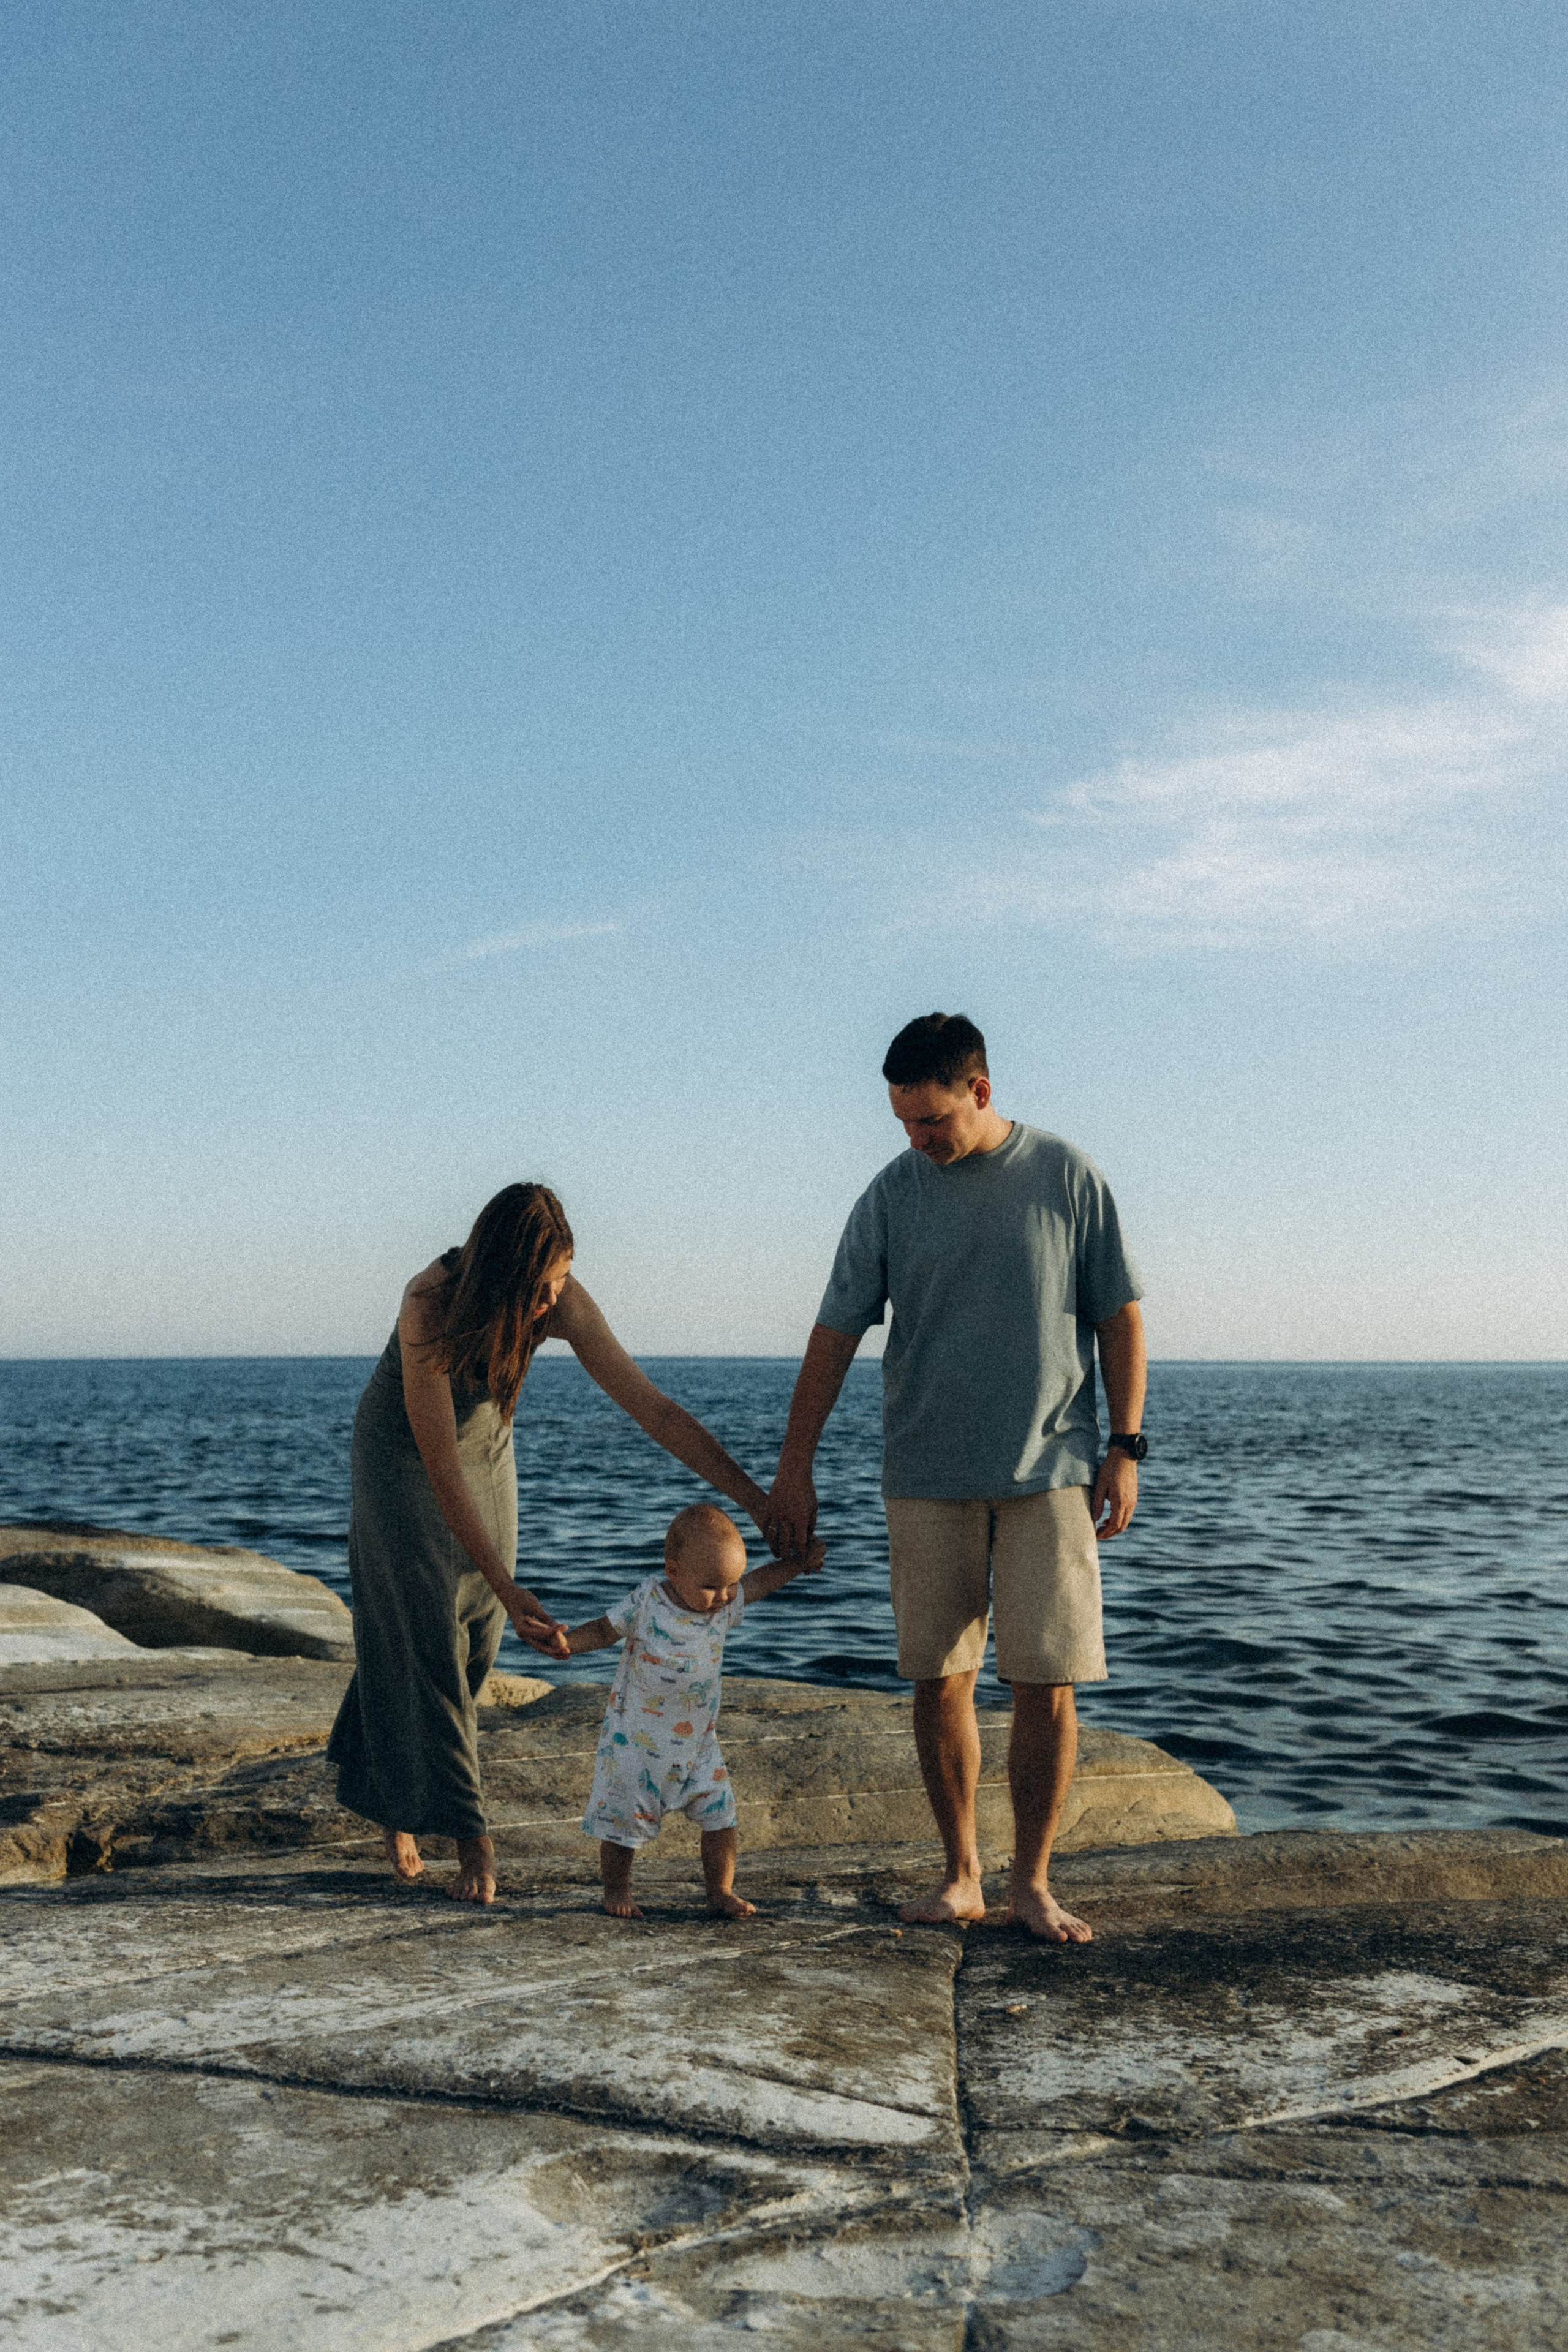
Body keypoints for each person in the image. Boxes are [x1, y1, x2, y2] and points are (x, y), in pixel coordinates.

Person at [762, 1013, 1147, 1944]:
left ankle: (1034, 1885)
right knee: (940, 1680)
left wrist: (1125, 1447)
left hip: (1050, 1471)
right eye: (903, 1122)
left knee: (1047, 1683)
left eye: (931, 1120)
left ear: (979, 1090)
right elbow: (833, 1336)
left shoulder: (1065, 1175)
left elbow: (1120, 1317)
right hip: (926, 1472)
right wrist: (794, 1468)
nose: (917, 1140)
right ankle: (963, 1875)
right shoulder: (891, 1195)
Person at [328, 1183, 774, 1905]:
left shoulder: (559, 1299)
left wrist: (755, 1500)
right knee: (426, 1627)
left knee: (477, 1635)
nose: (551, 1300)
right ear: (498, 1271)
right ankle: (469, 1834)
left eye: (560, 1281)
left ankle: (382, 1783)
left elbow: (654, 1410)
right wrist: (507, 1583)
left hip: (487, 1445)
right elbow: (439, 1468)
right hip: (402, 1456)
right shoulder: (428, 1306)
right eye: (538, 1286)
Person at [562, 1502, 822, 1920]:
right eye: (713, 1586)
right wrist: (567, 1644)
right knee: (622, 1823)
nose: (725, 1596)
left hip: (699, 1745)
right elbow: (603, 1630)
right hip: (637, 1742)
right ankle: (617, 1888)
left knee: (722, 1817)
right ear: (675, 1571)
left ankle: (720, 1891)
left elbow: (759, 1583)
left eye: (730, 1585)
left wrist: (797, 1563)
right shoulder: (648, 1601)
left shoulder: (722, 1605)